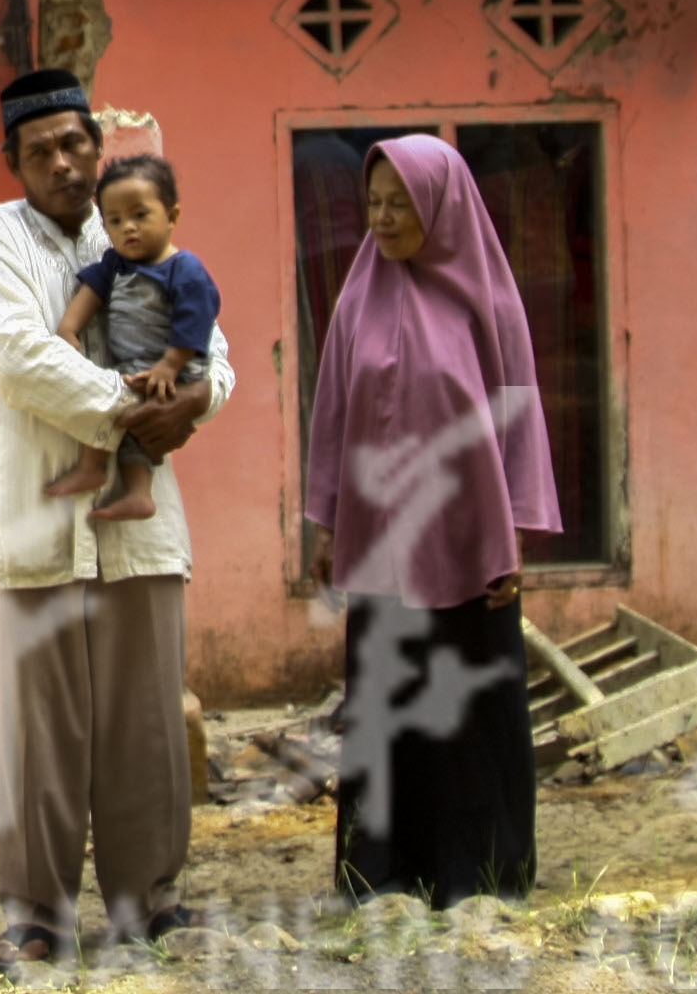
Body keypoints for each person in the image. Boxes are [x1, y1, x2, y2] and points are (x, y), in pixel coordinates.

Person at [0, 70, 232, 966]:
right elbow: (23, 358)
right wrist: (136, 412)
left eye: (77, 143)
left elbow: (212, 346)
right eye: (41, 152)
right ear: (13, 162)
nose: (65, 163)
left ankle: (147, 901)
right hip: (40, 517)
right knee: (41, 731)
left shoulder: (142, 227)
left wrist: (200, 398)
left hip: (139, 524)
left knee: (145, 721)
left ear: (97, 146)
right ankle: (35, 915)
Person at [303, 134, 561, 908]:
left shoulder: (488, 300)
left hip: (467, 541)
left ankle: (480, 871)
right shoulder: (358, 297)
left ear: (440, 207)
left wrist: (515, 525)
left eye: (398, 205)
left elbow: (520, 417)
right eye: (371, 204)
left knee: (471, 711)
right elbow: (332, 413)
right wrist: (326, 519)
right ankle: (382, 869)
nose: (380, 219)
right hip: (382, 540)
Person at [40, 154, 220, 522]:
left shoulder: (183, 269)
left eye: (140, 215)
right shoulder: (116, 264)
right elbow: (92, 292)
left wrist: (170, 365)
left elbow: (196, 319)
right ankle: (122, 483)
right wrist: (68, 328)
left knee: (121, 409)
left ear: (172, 217)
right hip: (136, 365)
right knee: (122, 413)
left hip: (174, 366)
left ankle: (111, 477)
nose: (128, 228)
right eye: (115, 221)